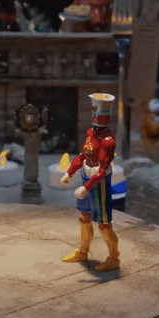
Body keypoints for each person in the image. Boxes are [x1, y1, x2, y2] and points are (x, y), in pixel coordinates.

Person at [60, 93, 120, 271]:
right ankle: (83, 251)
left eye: (97, 111)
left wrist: (86, 188)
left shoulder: (108, 141)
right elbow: (82, 157)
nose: (95, 114)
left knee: (103, 223)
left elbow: (101, 171)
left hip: (99, 184)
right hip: (87, 177)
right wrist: (70, 172)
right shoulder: (90, 133)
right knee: (84, 217)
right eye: (94, 110)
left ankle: (114, 258)